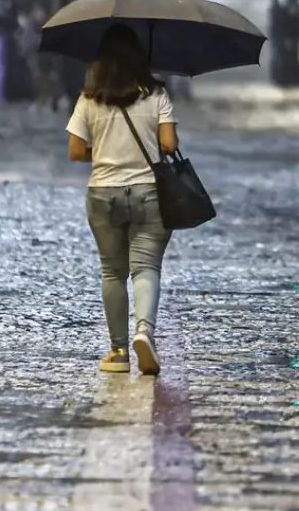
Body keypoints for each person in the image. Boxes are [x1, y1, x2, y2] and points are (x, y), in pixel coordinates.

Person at [65, 24, 178, 376]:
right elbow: (170, 145)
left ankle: (117, 352)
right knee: (146, 267)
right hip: (148, 191)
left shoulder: (89, 98)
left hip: (103, 192)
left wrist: (103, 152)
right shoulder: (156, 93)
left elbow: (75, 150)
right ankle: (144, 332)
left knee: (112, 271)